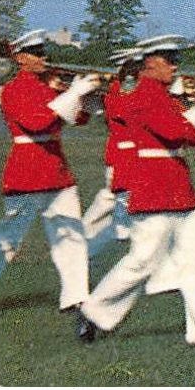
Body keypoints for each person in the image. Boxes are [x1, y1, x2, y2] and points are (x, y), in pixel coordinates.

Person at [76, 36, 195, 347]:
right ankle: (93, 311)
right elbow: (181, 133)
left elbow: (191, 135)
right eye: (169, 59)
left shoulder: (163, 95)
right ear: (150, 62)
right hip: (154, 188)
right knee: (142, 261)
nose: (175, 65)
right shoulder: (143, 97)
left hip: (178, 188)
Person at [0, 30, 94, 314]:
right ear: (21, 58)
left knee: (70, 235)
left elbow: (81, 118)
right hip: (27, 170)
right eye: (37, 52)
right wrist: (70, 93)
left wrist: (77, 94)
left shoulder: (50, 86)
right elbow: (37, 123)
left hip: (57, 171)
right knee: (8, 237)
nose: (44, 57)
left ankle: (75, 296)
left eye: (44, 51)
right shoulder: (13, 89)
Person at [82, 49, 142, 258]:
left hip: (126, 159)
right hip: (125, 160)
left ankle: (82, 234)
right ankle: (83, 250)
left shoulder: (120, 92)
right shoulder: (117, 95)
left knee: (109, 201)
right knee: (121, 225)